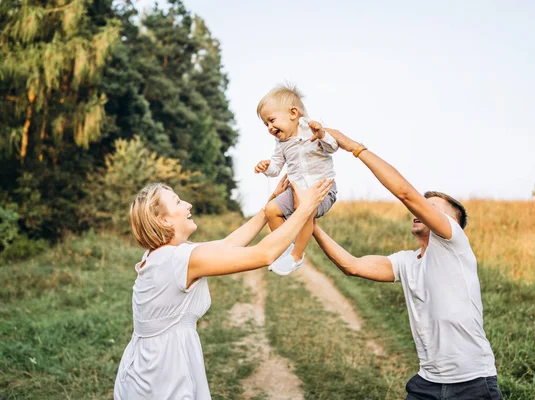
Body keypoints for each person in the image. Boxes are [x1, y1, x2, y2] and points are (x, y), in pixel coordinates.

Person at [311, 128, 504, 400]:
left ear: (451, 223)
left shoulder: (454, 244)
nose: (419, 209)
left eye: (431, 207)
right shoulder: (407, 262)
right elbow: (351, 265)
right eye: (422, 206)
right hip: (427, 383)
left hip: (472, 383)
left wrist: (352, 146)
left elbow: (405, 194)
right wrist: (311, 224)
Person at [114, 175, 333, 400]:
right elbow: (264, 254)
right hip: (162, 372)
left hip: (146, 363)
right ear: (163, 221)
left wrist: (268, 207)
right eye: (178, 202)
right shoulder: (177, 259)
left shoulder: (162, 255)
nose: (188, 205)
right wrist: (304, 209)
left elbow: (227, 245)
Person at [254, 84, 338, 275]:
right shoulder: (281, 144)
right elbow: (276, 168)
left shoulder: (313, 131)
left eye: (272, 120)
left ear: (293, 113)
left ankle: (297, 255)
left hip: (323, 191)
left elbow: (333, 147)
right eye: (266, 124)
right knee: (271, 209)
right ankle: (284, 249)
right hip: (296, 191)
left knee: (305, 205)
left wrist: (323, 135)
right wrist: (267, 167)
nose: (269, 127)